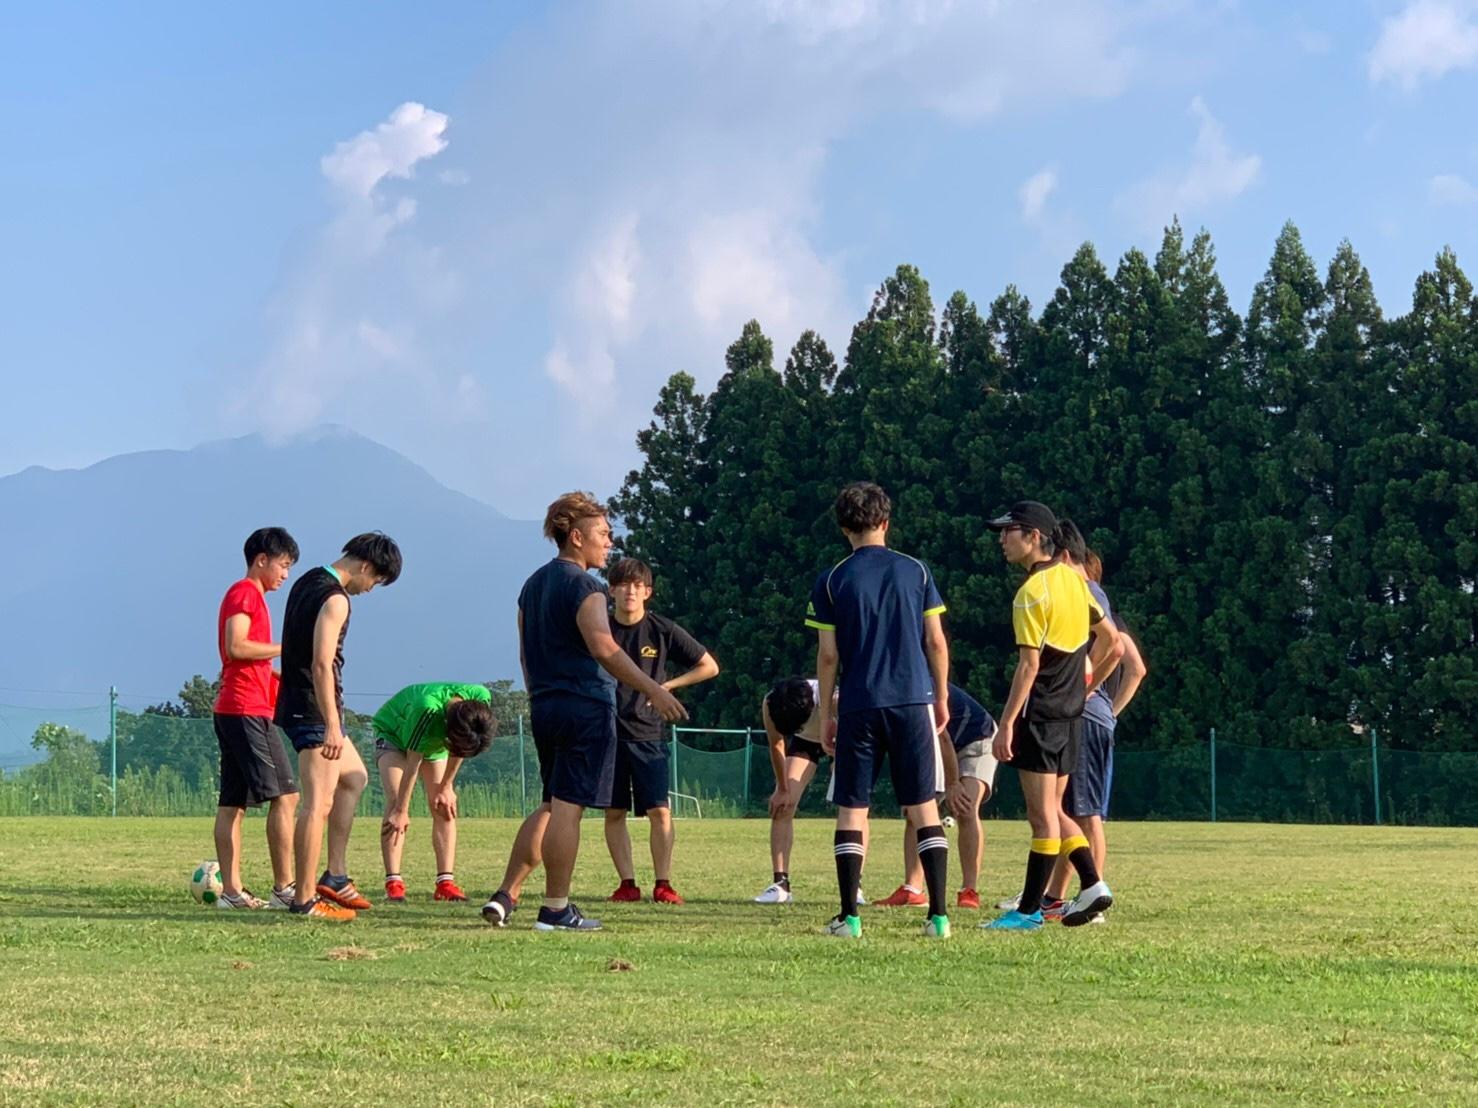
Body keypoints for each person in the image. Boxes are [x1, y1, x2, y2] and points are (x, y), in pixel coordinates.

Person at [479, 492, 687, 932]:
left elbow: (524, 652)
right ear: (576, 537)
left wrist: (540, 693)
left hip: (546, 705)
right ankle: (556, 908)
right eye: (603, 534)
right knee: (569, 808)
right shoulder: (586, 586)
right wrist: (653, 688)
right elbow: (604, 645)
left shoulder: (532, 585)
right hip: (584, 706)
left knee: (551, 804)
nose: (609, 542)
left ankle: (506, 893)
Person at [808, 482, 953, 940]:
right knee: (923, 807)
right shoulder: (917, 571)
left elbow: (828, 656)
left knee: (853, 809)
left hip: (860, 703)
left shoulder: (833, 579)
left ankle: (850, 918)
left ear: (843, 528)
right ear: (886, 523)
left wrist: (826, 711)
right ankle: (939, 917)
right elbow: (935, 641)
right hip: (913, 701)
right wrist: (942, 695)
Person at [984, 502, 1121, 932]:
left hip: (1040, 714)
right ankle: (1093, 883)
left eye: (1010, 532)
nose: (1002, 540)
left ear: (1035, 537)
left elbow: (1028, 667)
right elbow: (1112, 641)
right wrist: (1084, 685)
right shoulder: (1074, 582)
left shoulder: (1031, 594)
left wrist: (1006, 723)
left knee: (1041, 815)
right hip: (1072, 714)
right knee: (1056, 812)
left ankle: (1028, 912)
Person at [275, 532, 403, 921]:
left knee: (355, 777)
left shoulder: (307, 580)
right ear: (366, 567)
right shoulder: (335, 598)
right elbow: (320, 663)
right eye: (376, 581)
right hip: (314, 710)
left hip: (305, 704)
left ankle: (336, 874)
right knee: (316, 805)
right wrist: (332, 724)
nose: (370, 589)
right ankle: (305, 900)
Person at [1039, 536, 1147, 919]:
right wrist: (1111, 710)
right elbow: (1134, 665)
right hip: (1097, 718)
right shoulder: (1099, 598)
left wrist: (1084, 692)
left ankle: (1093, 894)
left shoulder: (1086, 596)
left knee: (1084, 815)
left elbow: (1119, 652)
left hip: (1086, 718)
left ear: (1067, 558)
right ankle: (1055, 896)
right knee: (1074, 810)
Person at [603, 557, 719, 906]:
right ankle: (627, 884)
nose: (630, 591)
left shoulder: (662, 630)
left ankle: (663, 883)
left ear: (648, 592)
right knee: (613, 813)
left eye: (637, 585)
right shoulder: (600, 630)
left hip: (648, 733)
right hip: (606, 733)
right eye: (623, 584)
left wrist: (667, 686)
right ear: (611, 590)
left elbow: (709, 666)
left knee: (660, 811)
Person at [210, 527, 301, 910]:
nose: (284, 574)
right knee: (287, 795)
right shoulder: (245, 592)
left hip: (235, 707)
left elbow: (248, 658)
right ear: (261, 559)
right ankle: (285, 889)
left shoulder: (253, 596)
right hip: (246, 710)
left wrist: (281, 675)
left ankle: (232, 893)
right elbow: (237, 645)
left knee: (233, 804)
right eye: (282, 565)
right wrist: (290, 647)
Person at [875, 682, 997, 911]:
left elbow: (943, 739)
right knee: (916, 812)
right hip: (938, 746)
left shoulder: (917, 687)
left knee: (966, 809)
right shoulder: (888, 692)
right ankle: (913, 889)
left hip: (977, 738)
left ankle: (969, 890)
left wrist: (952, 784)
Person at [372, 683, 498, 904]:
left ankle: (445, 884)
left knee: (443, 805)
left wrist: (446, 786)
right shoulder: (427, 710)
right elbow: (413, 763)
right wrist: (402, 810)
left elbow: (461, 747)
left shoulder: (480, 699)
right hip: (395, 736)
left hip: (434, 742)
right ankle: (394, 884)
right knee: (395, 804)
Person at [752, 677, 870, 907]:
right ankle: (780, 885)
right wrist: (783, 789)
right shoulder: (771, 704)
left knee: (854, 809)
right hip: (805, 744)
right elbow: (777, 745)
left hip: (842, 737)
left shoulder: (837, 700)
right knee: (783, 807)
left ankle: (855, 885)